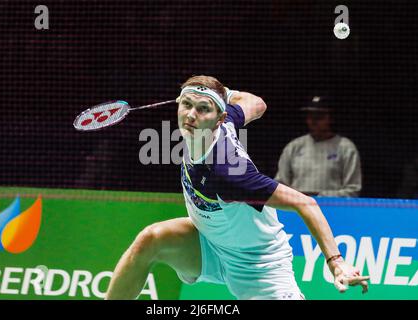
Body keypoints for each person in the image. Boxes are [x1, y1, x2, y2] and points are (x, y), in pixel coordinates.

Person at [105, 76, 369, 300]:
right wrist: (224, 92)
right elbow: (257, 103)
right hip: (209, 244)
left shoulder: (230, 173)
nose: (191, 115)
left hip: (258, 266)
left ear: (219, 118)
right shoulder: (224, 120)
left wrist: (336, 263)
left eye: (203, 109)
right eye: (186, 105)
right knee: (150, 240)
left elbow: (305, 203)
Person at [275, 96, 362, 197]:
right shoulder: (294, 146)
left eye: (319, 116)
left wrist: (319, 196)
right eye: (310, 116)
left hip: (333, 209)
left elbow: (353, 190)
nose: (313, 121)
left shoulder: (346, 148)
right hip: (296, 208)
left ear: (331, 118)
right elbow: (279, 185)